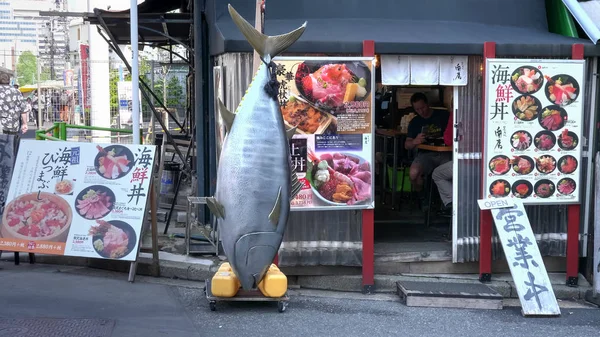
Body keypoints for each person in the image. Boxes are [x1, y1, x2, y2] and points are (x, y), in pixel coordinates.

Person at [404, 92, 451, 210]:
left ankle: (446, 203)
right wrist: (415, 141)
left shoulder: (444, 115)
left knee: (450, 174)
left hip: (445, 153)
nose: (421, 111)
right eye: (417, 109)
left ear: (428, 104)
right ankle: (422, 197)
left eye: (423, 107)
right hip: (426, 155)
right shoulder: (415, 122)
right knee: (413, 173)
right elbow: (407, 145)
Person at [432, 112, 453, 216]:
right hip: (486, 164)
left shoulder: (456, 113)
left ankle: (452, 202)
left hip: (465, 162)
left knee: (437, 174)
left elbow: (448, 140)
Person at [0, 71, 27, 135]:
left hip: (1, 124)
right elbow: (23, 110)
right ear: (9, 81)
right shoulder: (17, 92)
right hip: (13, 125)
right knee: (11, 144)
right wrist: (25, 124)